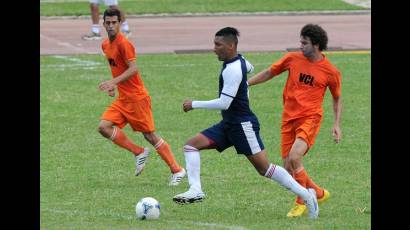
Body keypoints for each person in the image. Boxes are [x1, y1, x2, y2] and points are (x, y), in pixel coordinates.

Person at [172, 27, 319, 219]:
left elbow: (224, 102)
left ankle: (307, 196)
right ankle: (196, 189)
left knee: (264, 169)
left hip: (243, 125)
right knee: (191, 145)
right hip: (228, 124)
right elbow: (249, 67)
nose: (214, 48)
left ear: (231, 46)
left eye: (218, 45)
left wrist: (194, 104)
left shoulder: (232, 69)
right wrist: (245, 85)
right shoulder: (238, 61)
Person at [247, 24, 341, 217]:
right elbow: (270, 72)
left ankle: (302, 200)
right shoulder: (292, 59)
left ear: (316, 45)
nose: (300, 46)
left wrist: (336, 124)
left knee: (295, 157)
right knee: (288, 169)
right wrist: (247, 83)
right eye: (300, 41)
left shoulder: (330, 71)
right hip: (288, 117)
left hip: (310, 118)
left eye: (304, 43)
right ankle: (319, 193)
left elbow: (337, 97)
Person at [97, 8, 186, 186]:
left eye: (114, 22)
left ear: (120, 23)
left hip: (137, 98)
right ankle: (138, 152)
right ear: (104, 23)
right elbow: (117, 67)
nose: (111, 26)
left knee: (150, 135)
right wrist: (113, 86)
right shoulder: (106, 45)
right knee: (103, 127)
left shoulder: (124, 44)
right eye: (108, 22)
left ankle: (177, 170)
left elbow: (133, 69)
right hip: (123, 99)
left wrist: (113, 81)